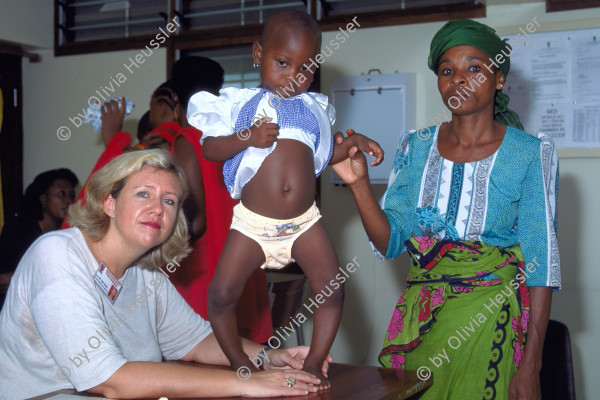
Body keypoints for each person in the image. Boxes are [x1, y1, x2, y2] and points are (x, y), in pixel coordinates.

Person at [331, 19, 560, 400]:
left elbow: (542, 261)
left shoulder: (530, 154)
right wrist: (358, 186)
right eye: (446, 70)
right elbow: (390, 243)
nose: (459, 80)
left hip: (491, 322)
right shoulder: (416, 147)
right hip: (420, 322)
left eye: (474, 68)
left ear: (498, 79)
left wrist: (531, 365)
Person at [0, 149, 329, 399]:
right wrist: (246, 382)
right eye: (143, 193)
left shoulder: (145, 269)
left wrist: (268, 358)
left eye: (169, 201)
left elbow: (194, 340)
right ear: (108, 203)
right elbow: (110, 379)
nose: (158, 208)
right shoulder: (56, 254)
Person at [187, 10, 384, 388]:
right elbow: (211, 148)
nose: (294, 77)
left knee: (332, 290)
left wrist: (354, 144)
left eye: (306, 68)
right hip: (253, 225)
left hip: (304, 223)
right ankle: (239, 363)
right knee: (221, 294)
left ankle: (312, 364)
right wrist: (246, 138)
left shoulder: (313, 110)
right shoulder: (240, 104)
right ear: (258, 53)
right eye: (282, 63)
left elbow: (324, 158)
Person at [169, 56, 274, 343]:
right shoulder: (239, 137)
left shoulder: (188, 139)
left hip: (204, 272)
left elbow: (196, 222)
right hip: (242, 264)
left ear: (175, 97)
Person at [0, 168, 78, 283]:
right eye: (61, 194)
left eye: (72, 195)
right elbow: (2, 277)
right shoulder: (17, 229)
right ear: (43, 199)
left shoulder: (66, 234)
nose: (68, 201)